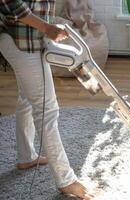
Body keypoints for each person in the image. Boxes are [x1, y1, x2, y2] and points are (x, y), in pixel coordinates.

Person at [0, 0, 95, 199]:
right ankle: (66, 180)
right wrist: (46, 27)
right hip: (19, 39)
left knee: (28, 97)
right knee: (46, 109)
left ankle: (26, 156)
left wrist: (47, 29)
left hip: (30, 37)